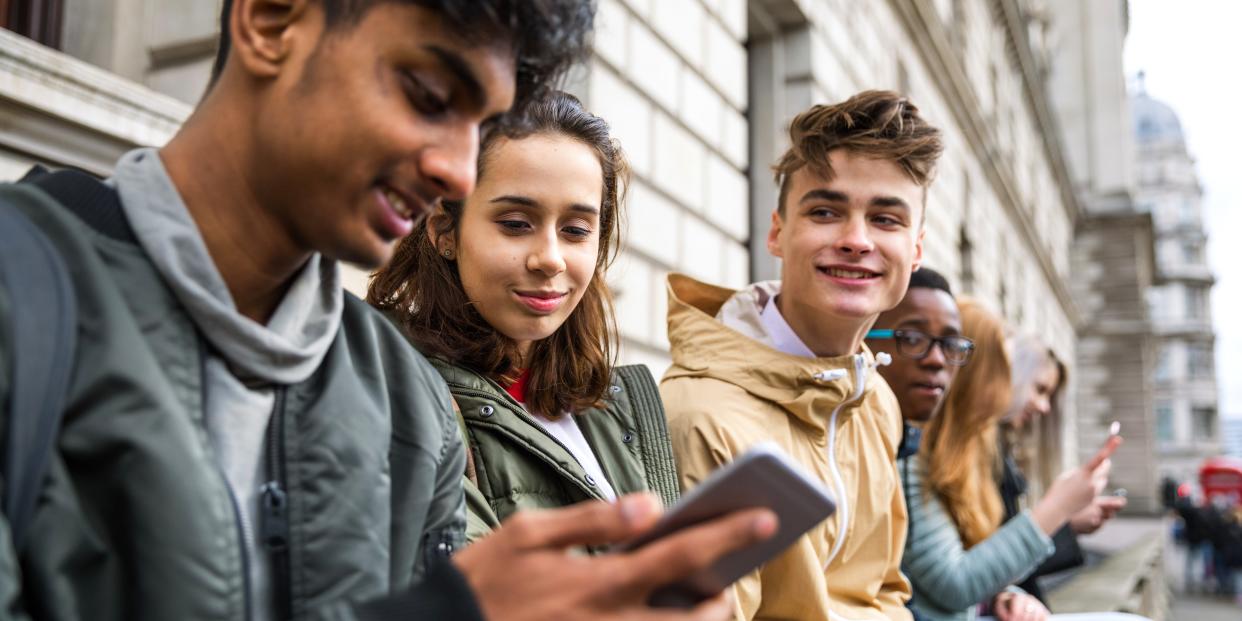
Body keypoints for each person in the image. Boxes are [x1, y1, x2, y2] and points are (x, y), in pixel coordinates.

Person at [0, 1, 777, 619]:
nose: (451, 168)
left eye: (477, 127)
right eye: (429, 96)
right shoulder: (22, 289)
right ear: (272, 21)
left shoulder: (402, 398)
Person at [660, 90, 944, 620]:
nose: (857, 240)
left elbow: (883, 592)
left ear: (916, 249)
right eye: (826, 211)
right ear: (778, 232)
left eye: (886, 219)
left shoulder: (876, 398)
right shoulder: (702, 416)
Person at [369, 90, 681, 539]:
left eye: (575, 230)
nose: (550, 258)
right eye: (516, 223)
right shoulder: (391, 388)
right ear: (443, 229)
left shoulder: (613, 407)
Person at [896, 299, 1121, 621]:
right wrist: (1058, 509)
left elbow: (970, 567)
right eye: (1005, 373)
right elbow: (955, 584)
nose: (1009, 392)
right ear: (976, 377)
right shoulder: (911, 458)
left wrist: (1004, 596)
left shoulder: (967, 457)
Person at [1002, 336, 1126, 601]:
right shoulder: (988, 459)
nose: (1044, 407)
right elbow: (989, 569)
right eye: (1039, 389)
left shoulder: (1003, 457)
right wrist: (1061, 511)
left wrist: (1068, 521)